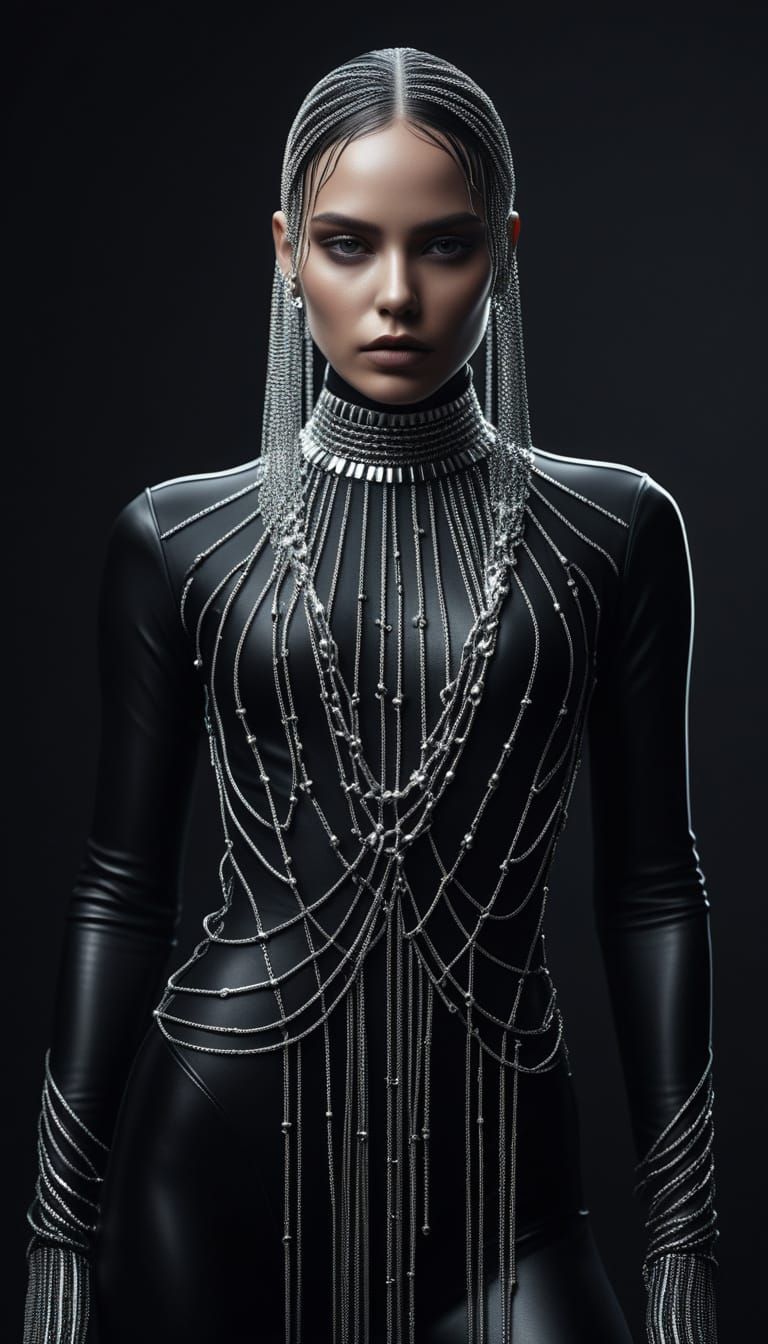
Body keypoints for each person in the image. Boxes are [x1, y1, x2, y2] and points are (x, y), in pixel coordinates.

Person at [22, 46, 719, 1344]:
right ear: (287, 252)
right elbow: (121, 888)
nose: (395, 295)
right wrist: (57, 1228)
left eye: (443, 247)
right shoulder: (180, 538)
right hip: (210, 1174)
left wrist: (683, 1234)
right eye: (349, 245)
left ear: (503, 250)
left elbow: (654, 887)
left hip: (509, 1196)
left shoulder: (615, 532)